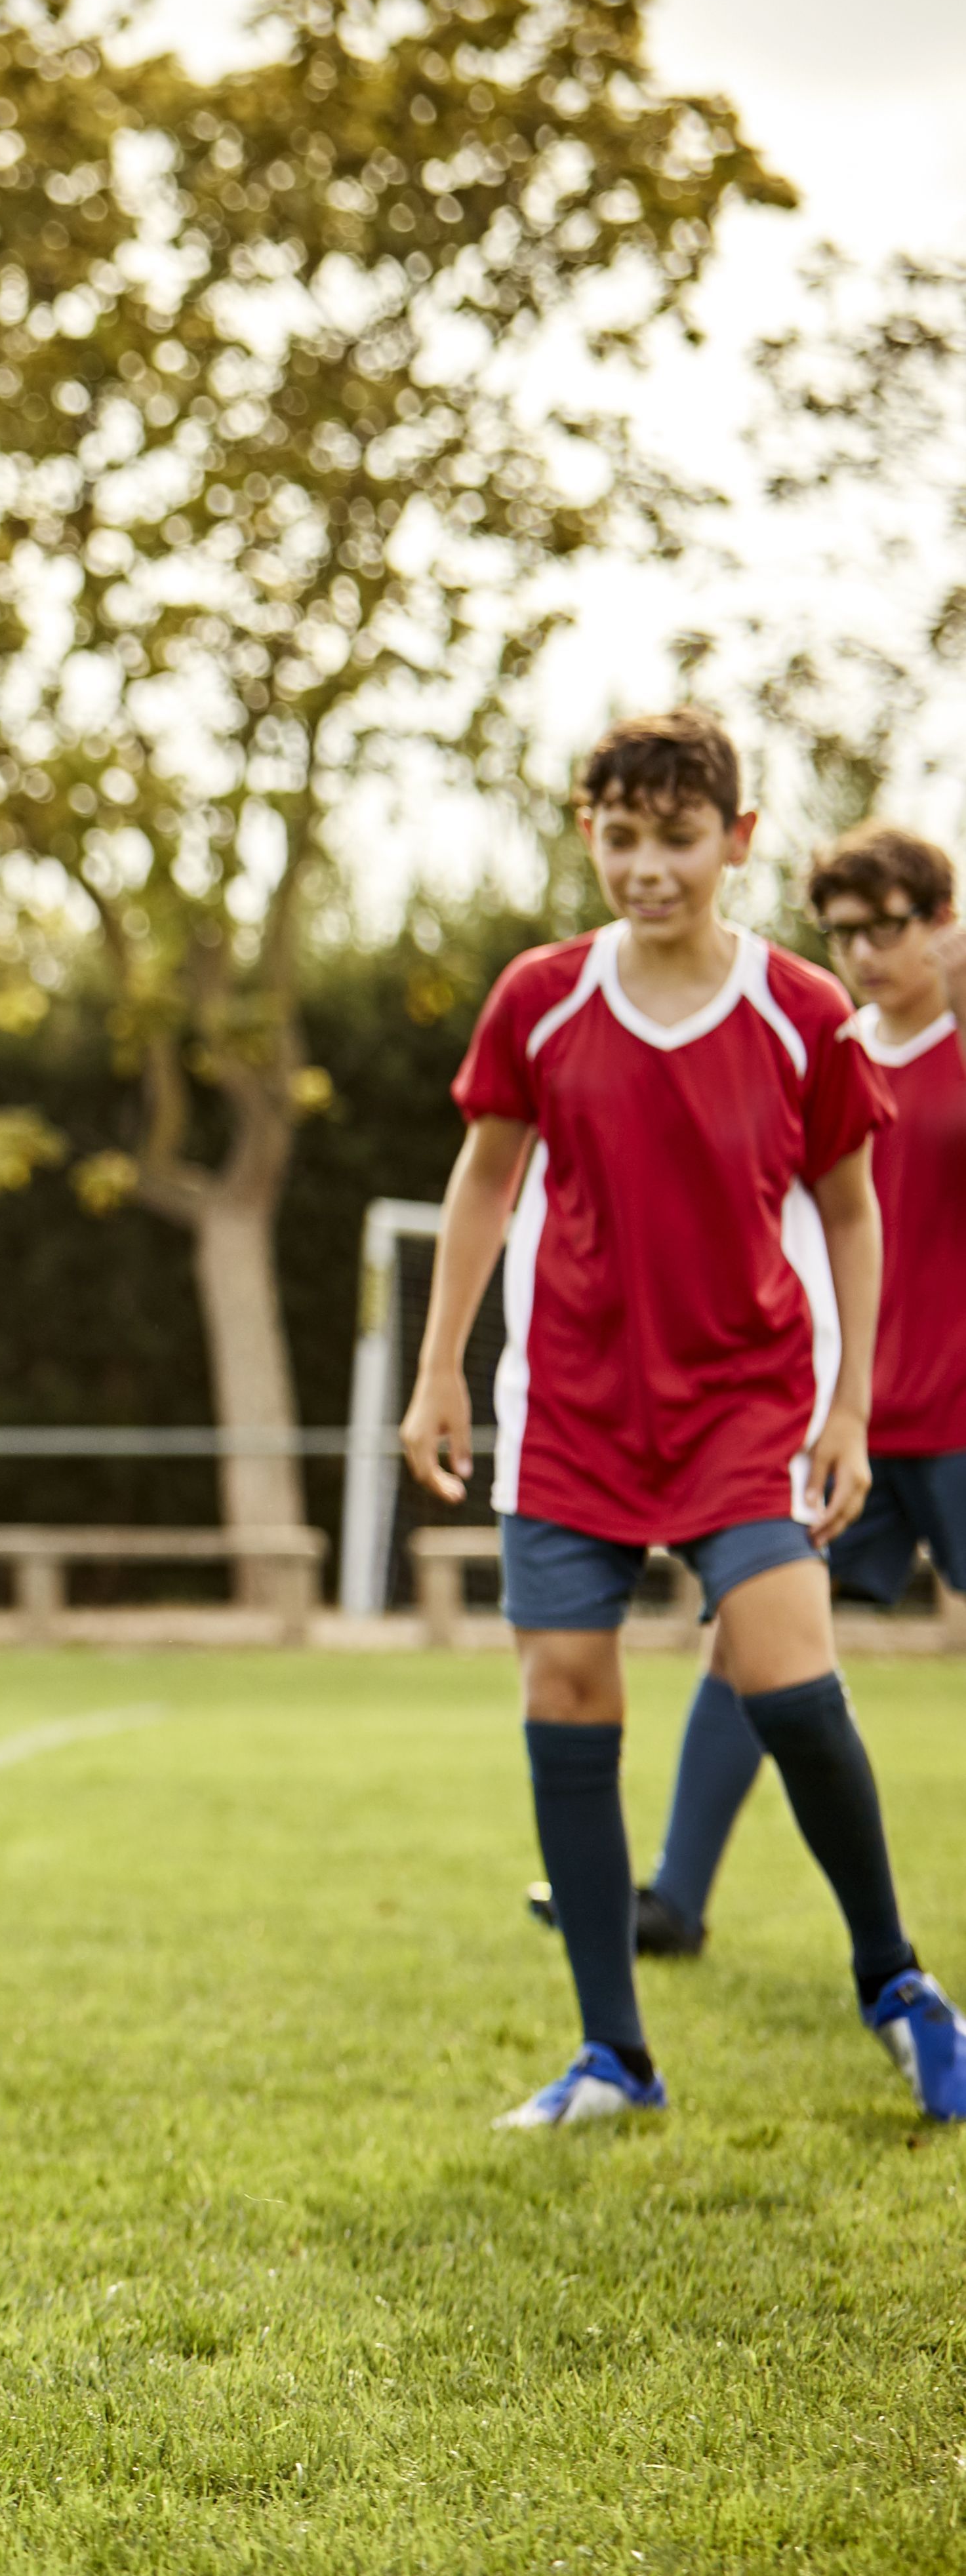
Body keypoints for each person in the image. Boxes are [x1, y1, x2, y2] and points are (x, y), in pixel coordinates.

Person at [405, 712, 966, 2130]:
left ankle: (896, 1985)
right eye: (619, 836)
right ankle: (616, 2055)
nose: (645, 867)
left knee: (786, 1679)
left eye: (674, 838)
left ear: (736, 840)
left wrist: (848, 1403)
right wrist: (440, 1368)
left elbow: (848, 1210)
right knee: (565, 1702)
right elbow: (482, 1180)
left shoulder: (797, 1010)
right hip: (569, 1409)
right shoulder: (537, 997)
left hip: (743, 1404)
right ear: (588, 833)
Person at [522, 823, 966, 1961]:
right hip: (835, 1422)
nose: (864, 953)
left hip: (957, 1424)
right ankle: (673, 1896)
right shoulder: (807, 1043)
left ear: (943, 927)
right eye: (844, 931)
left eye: (890, 927)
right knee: (748, 1649)